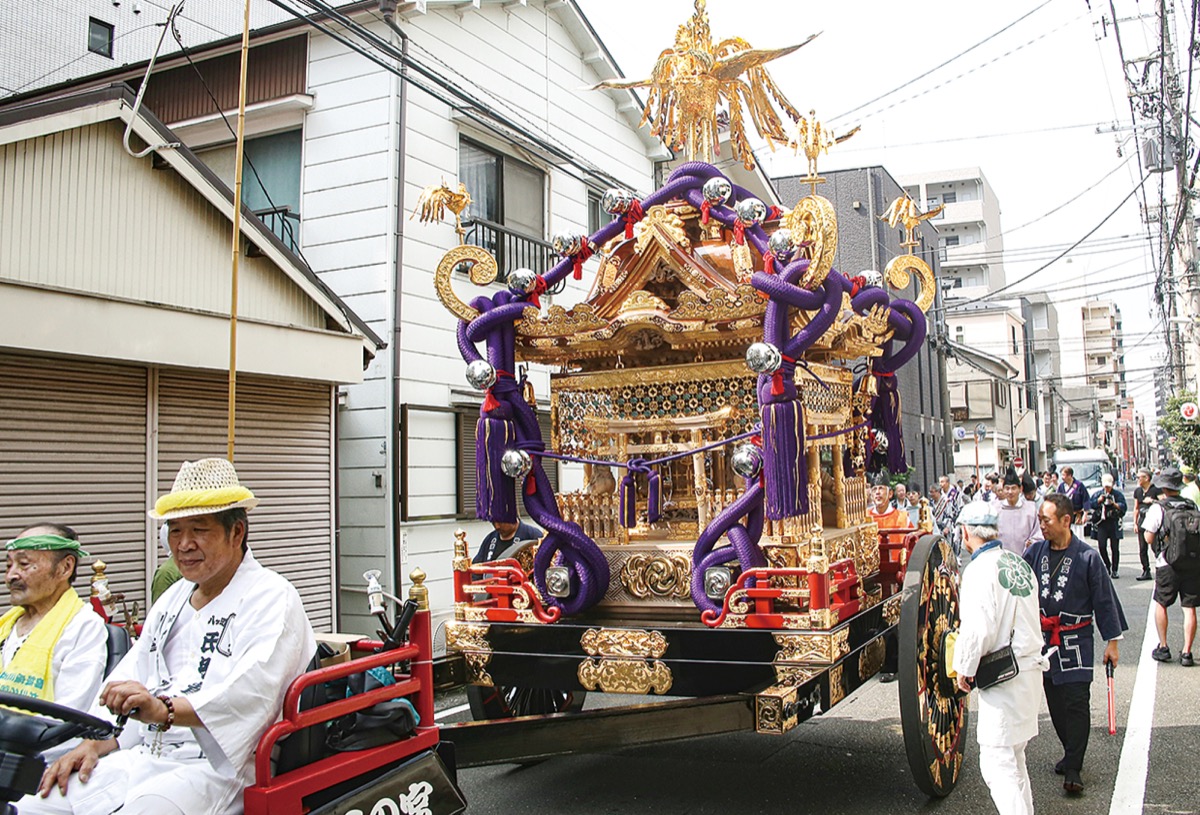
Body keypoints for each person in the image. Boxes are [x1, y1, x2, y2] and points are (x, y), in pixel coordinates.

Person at [23, 458, 316, 815]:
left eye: (199, 529)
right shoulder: (173, 598)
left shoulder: (272, 596)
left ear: (236, 532)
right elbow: (133, 670)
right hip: (146, 751)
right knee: (38, 803)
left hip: (218, 766)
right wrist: (96, 742)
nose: (184, 544)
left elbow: (251, 693)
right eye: (175, 530)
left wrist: (163, 710)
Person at [1025, 493, 1126, 795]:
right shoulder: (1035, 554)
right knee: (1055, 703)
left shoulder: (1088, 557)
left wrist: (1113, 643)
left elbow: (1105, 601)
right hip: (1044, 643)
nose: (1041, 525)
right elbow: (1017, 588)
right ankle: (1070, 753)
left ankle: (1074, 768)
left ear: (1066, 520)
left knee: (1077, 703)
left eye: (1047, 520)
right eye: (1040, 519)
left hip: (1076, 640)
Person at [951, 502, 1046, 815]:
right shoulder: (1017, 563)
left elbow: (978, 630)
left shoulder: (979, 570)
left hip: (1005, 675)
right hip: (1030, 670)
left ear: (967, 533)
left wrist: (963, 670)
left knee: (996, 763)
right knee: (1015, 760)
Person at [2, 524, 108, 758]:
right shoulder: (6, 626)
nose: (11, 576)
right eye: (9, 565)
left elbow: (65, 719)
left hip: (40, 760)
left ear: (64, 567)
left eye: (24, 564)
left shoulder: (83, 626)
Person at [1142, 466, 1199, 666]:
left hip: (1167, 563)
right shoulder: (1191, 505)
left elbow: (1148, 536)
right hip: (1192, 563)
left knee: (1162, 603)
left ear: (1164, 487)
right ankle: (1187, 652)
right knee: (1189, 607)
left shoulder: (1159, 507)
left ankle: (1164, 646)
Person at [991, 469, 1042, 555]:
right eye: (1007, 488)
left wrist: (1032, 542)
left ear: (1020, 489)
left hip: (1026, 557)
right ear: (1003, 489)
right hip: (1001, 557)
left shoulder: (1031, 509)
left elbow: (1038, 533)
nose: (1010, 492)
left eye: (1013, 488)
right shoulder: (994, 509)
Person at [1087, 473, 1127, 579]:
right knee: (1102, 546)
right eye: (1106, 486)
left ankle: (1115, 569)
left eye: (1109, 486)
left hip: (1113, 523)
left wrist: (1114, 504)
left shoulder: (1117, 494)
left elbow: (1124, 507)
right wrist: (1099, 500)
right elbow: (1091, 504)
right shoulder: (1098, 494)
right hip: (1102, 523)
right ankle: (1107, 565)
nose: (1107, 488)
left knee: (1115, 548)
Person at [474, 518, 543, 564]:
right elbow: (476, 568)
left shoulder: (532, 535)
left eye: (501, 522)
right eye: (493, 522)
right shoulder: (489, 539)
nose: (497, 526)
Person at [1133, 467, 1160, 581]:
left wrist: (1153, 501)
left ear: (1147, 478)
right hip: (1142, 521)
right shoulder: (1138, 491)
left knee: (1156, 547)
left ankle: (1160, 568)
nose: (1138, 479)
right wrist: (1135, 523)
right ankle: (1146, 570)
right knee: (1142, 548)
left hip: (1153, 521)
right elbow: (1136, 508)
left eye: (1140, 477)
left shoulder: (1156, 490)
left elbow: (1164, 502)